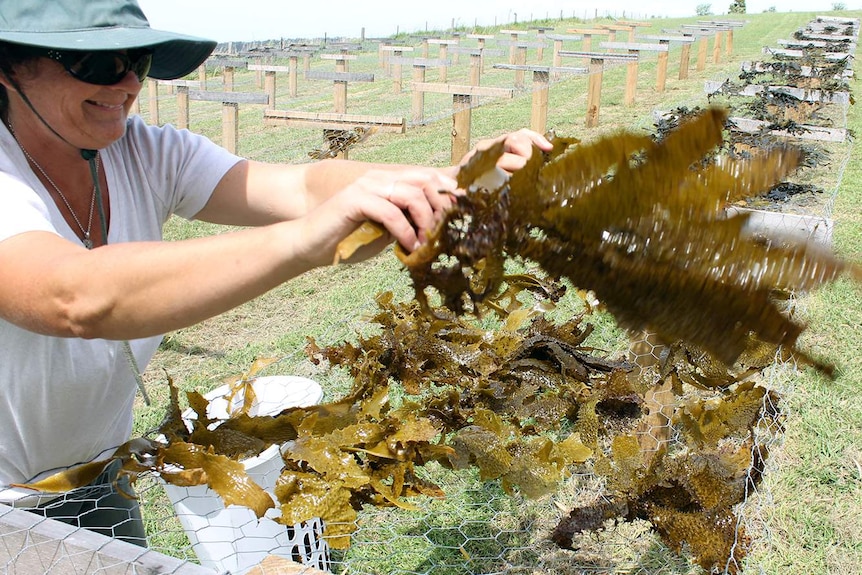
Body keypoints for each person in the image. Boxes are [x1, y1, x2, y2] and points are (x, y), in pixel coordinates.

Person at [0, 0, 551, 547]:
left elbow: (302, 187)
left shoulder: (141, 151)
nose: (124, 82)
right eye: (94, 64)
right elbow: (71, 296)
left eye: (137, 60)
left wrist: (455, 181)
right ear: (9, 66)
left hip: (98, 479)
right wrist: (303, 242)